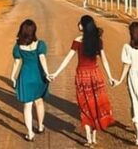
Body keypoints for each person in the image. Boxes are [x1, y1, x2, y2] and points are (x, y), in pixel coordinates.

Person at [49, 15, 116, 146]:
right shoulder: (97, 41)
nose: (78, 24)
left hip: (82, 76)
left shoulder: (78, 41)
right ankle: (94, 137)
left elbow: (67, 59)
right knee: (95, 104)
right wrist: (110, 76)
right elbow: (104, 59)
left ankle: (89, 139)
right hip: (96, 74)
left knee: (84, 105)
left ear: (84, 26)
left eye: (80, 23)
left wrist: (56, 73)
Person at [10, 19, 51, 141]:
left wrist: (13, 76)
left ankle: (30, 133)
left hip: (25, 76)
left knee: (27, 106)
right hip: (38, 75)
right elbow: (42, 58)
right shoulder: (40, 44)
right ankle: (40, 126)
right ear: (34, 31)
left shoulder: (18, 47)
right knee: (39, 102)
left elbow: (17, 62)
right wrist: (47, 73)